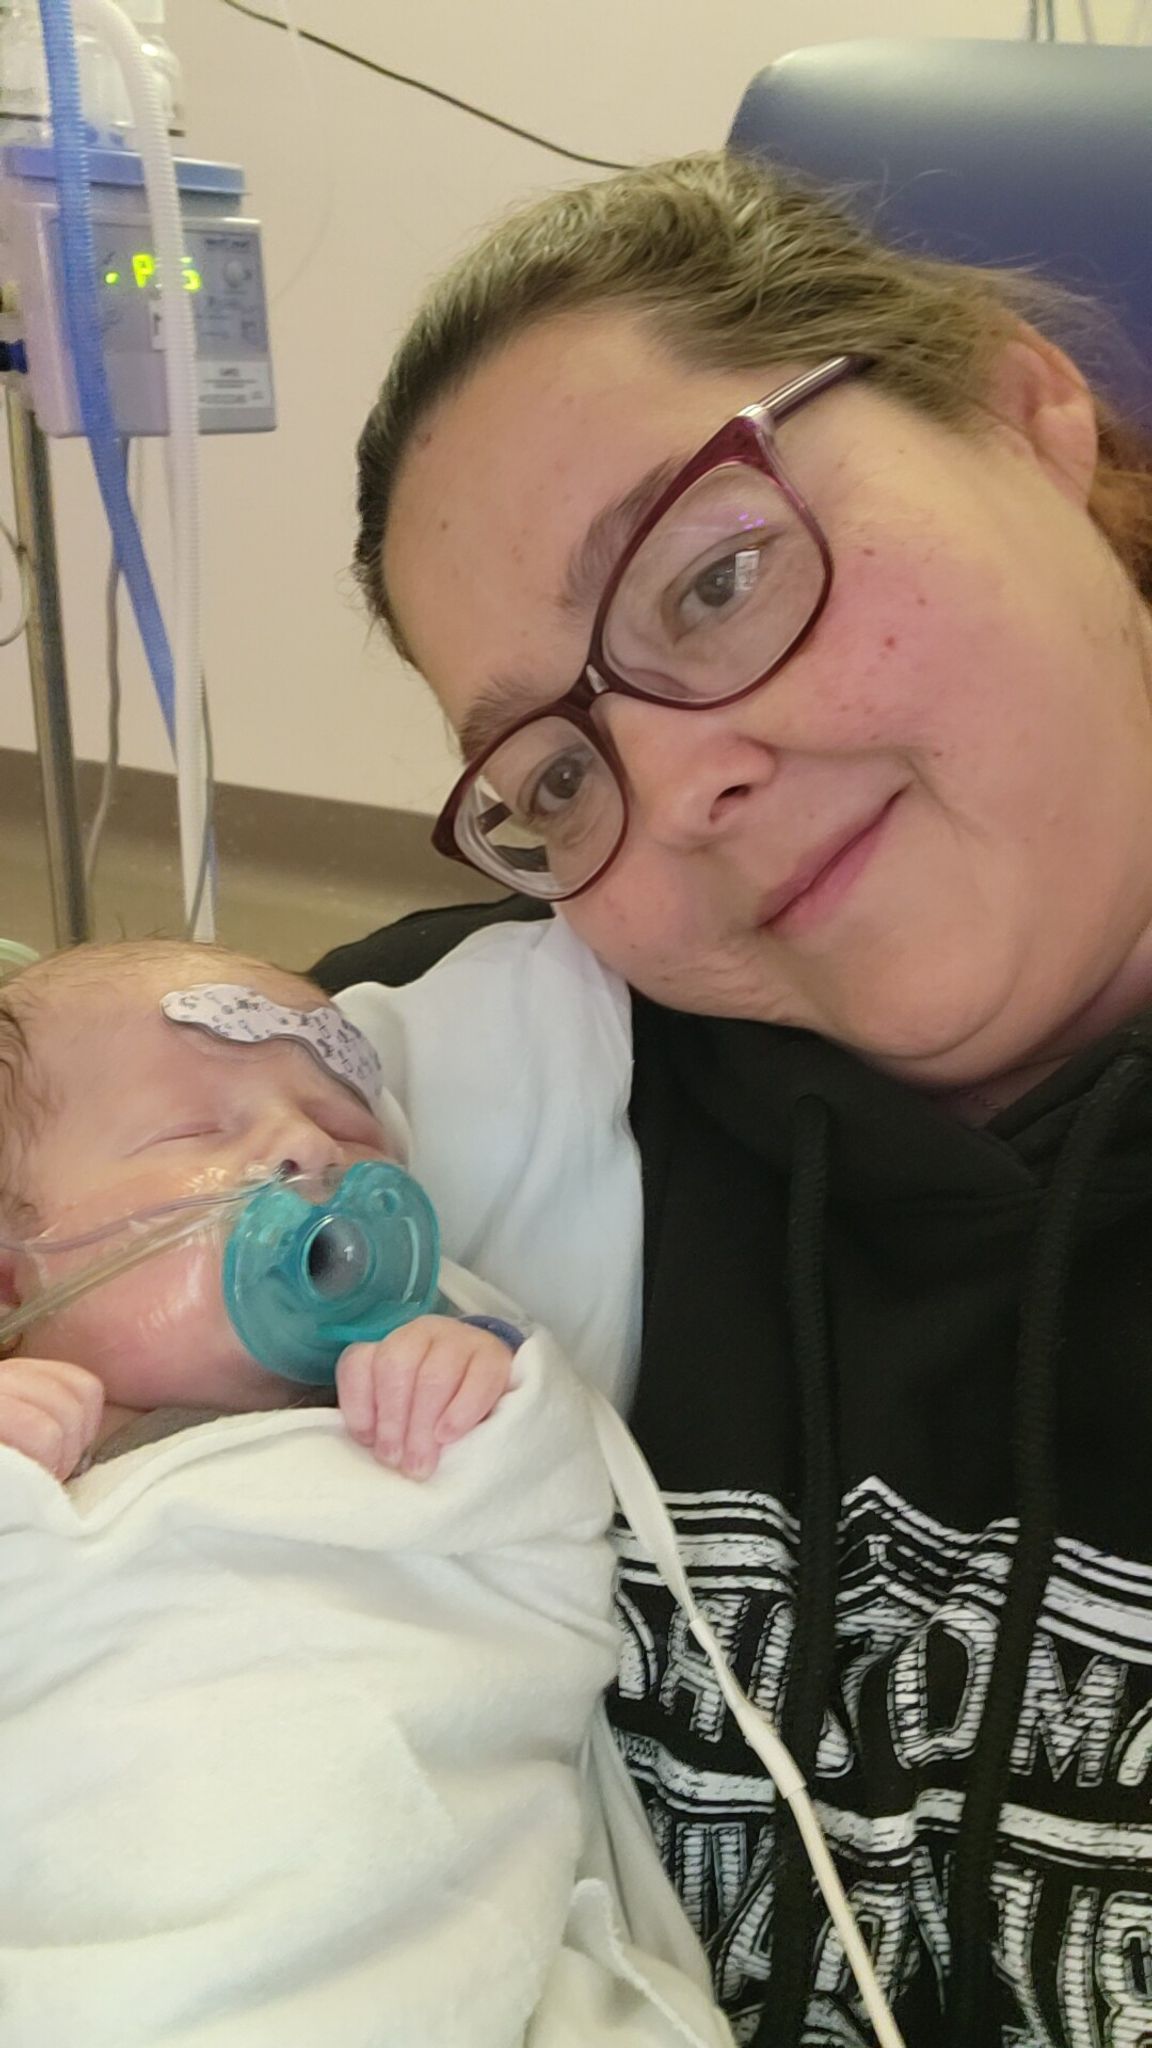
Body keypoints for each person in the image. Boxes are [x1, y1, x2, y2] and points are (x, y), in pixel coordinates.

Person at [319, 149, 1152, 2047]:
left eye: (714, 576)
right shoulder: (441, 1088)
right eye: (554, 776)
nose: (680, 788)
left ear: (1026, 416)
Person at [0, 938, 733, 2048]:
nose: (308, 1148)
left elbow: (547, 1562)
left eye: (348, 1129)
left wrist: (482, 1395)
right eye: (197, 1131)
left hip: (429, 1937)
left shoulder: (408, 1412)